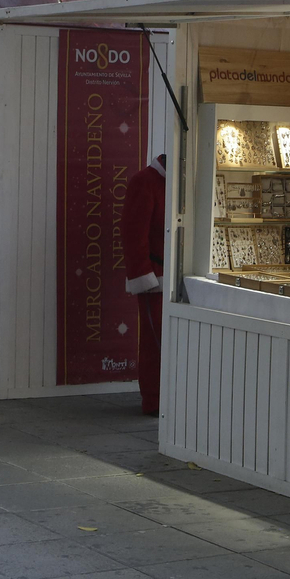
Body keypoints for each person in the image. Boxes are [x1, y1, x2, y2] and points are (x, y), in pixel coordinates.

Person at [122, 153, 168, 415]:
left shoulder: (181, 183)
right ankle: (154, 399)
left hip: (177, 275)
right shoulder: (144, 182)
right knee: (155, 342)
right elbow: (133, 233)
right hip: (156, 278)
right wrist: (144, 276)